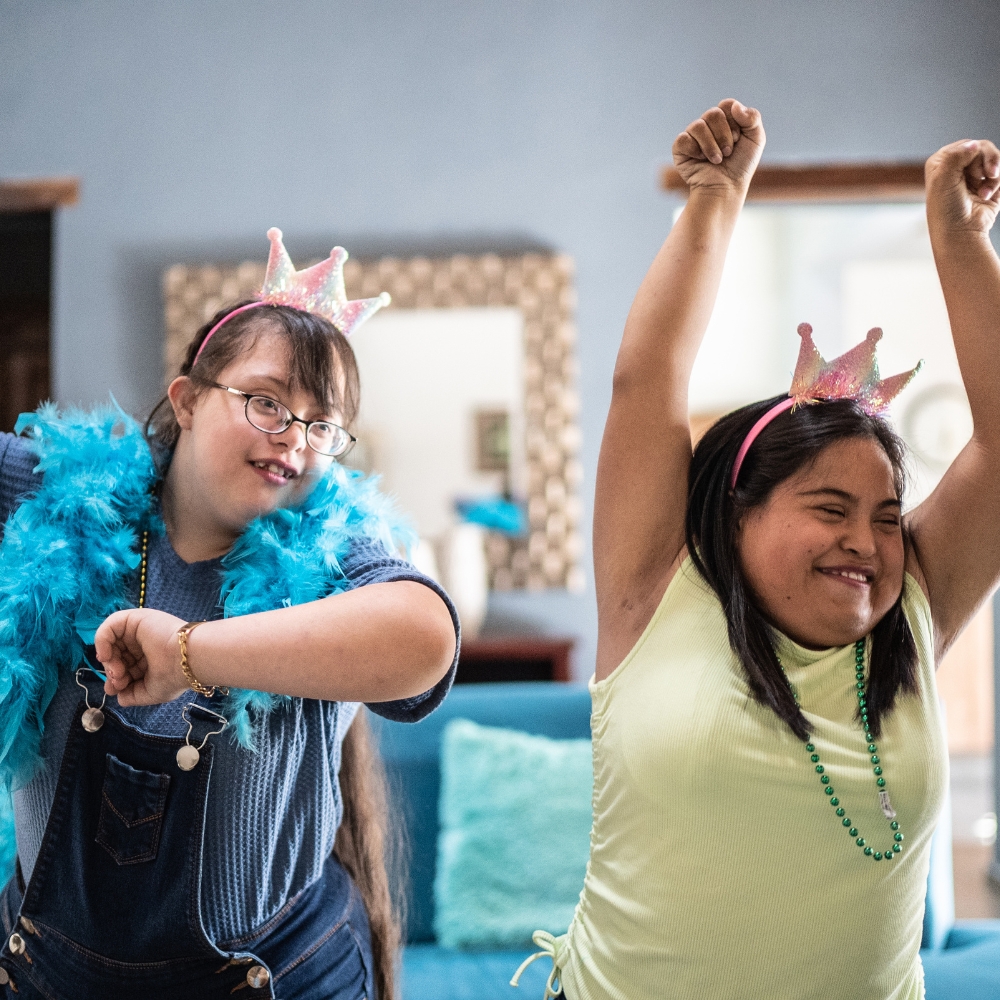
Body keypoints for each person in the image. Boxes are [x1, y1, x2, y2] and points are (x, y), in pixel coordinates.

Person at [513, 100, 1000, 998]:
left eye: (889, 516)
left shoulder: (913, 617)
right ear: (739, 515)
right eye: (830, 507)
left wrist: (959, 239)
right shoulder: (655, 591)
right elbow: (646, 379)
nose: (867, 541)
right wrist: (714, 199)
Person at [0, 229, 460, 1000]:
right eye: (268, 402)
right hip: (49, 977)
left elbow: (425, 641)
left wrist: (189, 654)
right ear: (186, 400)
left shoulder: (335, 547)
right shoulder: (57, 497)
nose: (297, 441)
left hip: (275, 980)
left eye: (323, 424)